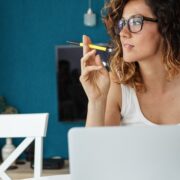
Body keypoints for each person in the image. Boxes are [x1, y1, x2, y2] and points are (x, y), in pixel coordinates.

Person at [79, 0, 180, 126]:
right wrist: (96, 101)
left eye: (136, 22)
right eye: (123, 23)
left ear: (166, 26)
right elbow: (96, 146)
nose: (123, 33)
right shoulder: (116, 86)